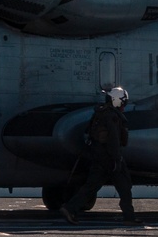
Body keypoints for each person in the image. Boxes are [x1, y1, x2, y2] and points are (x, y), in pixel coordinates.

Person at [60, 87, 141, 225]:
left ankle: (70, 208)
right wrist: (116, 159)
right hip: (110, 157)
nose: (123, 105)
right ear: (117, 101)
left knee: (91, 186)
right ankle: (129, 217)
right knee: (125, 186)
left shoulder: (100, 113)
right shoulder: (112, 116)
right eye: (123, 102)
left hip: (99, 156)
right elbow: (114, 139)